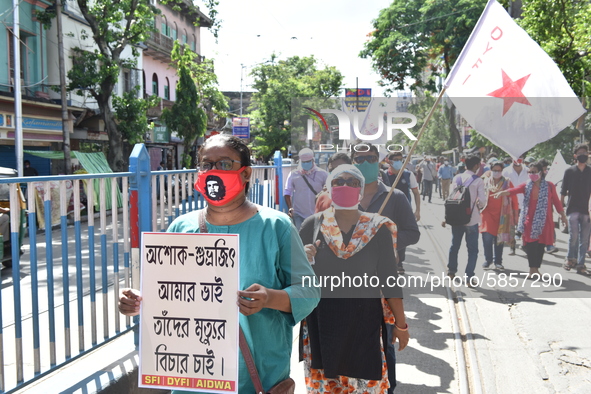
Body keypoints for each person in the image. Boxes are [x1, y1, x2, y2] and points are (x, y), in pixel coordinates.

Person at [118, 134, 320, 393]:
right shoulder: (181, 227)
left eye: (224, 164)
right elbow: (169, 295)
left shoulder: (276, 226)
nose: (213, 171)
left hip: (258, 376)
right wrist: (139, 302)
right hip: (193, 378)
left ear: (246, 174)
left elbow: (308, 291)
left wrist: (270, 298)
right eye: (206, 164)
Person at [300, 164, 409, 393]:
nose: (345, 185)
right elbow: (295, 280)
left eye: (352, 182)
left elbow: (390, 280)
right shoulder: (312, 226)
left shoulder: (378, 229)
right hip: (322, 326)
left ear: (361, 190)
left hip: (364, 327)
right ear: (329, 187)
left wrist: (401, 324)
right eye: (339, 181)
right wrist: (305, 259)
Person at [351, 145, 420, 393]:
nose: (365, 163)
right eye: (359, 159)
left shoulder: (395, 197)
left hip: (381, 284)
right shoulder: (341, 195)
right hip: (346, 285)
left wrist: (385, 240)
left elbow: (413, 233)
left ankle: (387, 387)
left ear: (379, 161)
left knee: (384, 342)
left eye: (370, 158)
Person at [495, 161, 567, 279]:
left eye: (533, 172)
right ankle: (531, 269)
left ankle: (536, 269)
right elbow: (515, 190)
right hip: (529, 221)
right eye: (529, 172)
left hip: (545, 222)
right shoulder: (527, 185)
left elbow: (557, 202)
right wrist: (503, 192)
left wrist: (563, 216)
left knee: (540, 246)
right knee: (531, 246)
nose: (531, 174)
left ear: (541, 172)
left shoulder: (549, 186)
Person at [443, 155, 486, 287]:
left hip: (456, 218)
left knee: (454, 245)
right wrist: (478, 207)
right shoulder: (478, 180)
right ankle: (469, 276)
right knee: (472, 250)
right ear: (475, 166)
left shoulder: (457, 177)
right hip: (471, 219)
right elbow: (483, 201)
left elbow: (451, 196)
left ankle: (451, 270)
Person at [480, 161, 518, 270]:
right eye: (494, 170)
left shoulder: (507, 183)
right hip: (487, 214)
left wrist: (516, 214)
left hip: (502, 214)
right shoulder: (485, 181)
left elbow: (514, 198)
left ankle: (498, 261)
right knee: (486, 238)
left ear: (502, 171)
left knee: (499, 239)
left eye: (499, 170)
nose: (497, 172)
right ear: (490, 170)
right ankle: (488, 260)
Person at [561, 144, 591, 276]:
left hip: (586, 209)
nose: (583, 155)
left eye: (585, 152)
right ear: (575, 156)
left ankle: (581, 263)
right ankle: (570, 259)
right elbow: (563, 191)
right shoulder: (569, 171)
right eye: (580, 153)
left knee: (584, 239)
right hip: (572, 208)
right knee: (574, 236)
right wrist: (561, 210)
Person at [284, 148, 329, 229]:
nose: (306, 164)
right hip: (299, 214)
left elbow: (329, 192)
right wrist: (290, 207)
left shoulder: (323, 174)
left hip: (318, 214)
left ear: (313, 160)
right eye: (304, 162)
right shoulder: (293, 174)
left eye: (308, 161)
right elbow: (287, 192)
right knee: (301, 238)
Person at [502, 157, 529, 254]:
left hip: (525, 203)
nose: (518, 159)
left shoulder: (528, 171)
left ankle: (525, 244)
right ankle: (512, 247)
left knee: (525, 226)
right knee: (511, 226)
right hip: (511, 204)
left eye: (520, 156)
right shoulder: (506, 171)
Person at [384, 151, 421, 222]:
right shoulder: (383, 175)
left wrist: (417, 211)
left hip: (405, 212)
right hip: (388, 213)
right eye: (396, 160)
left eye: (400, 160)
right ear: (389, 161)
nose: (399, 162)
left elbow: (416, 193)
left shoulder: (408, 175)